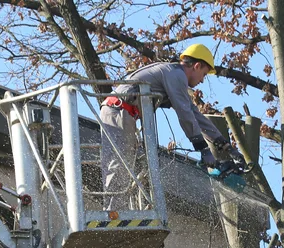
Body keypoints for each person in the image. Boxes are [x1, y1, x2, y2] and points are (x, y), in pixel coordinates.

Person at [99, 43, 246, 210]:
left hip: (123, 113)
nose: (202, 80)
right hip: (119, 111)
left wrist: (223, 143)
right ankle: (113, 213)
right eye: (203, 74)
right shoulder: (176, 75)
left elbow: (194, 113)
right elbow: (185, 114)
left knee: (124, 164)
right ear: (197, 65)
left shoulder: (173, 74)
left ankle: (117, 210)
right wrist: (203, 149)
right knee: (119, 164)